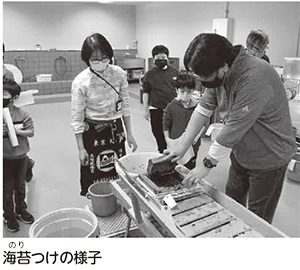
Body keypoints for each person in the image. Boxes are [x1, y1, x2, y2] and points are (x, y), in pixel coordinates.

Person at [165, 33, 297, 224]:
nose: (204, 82)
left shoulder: (254, 76)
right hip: (241, 152)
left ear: (224, 66)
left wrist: (206, 164)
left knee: (257, 217)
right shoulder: (218, 72)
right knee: (232, 203)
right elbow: (203, 109)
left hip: (270, 157)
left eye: (206, 77)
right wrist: (183, 145)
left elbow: (234, 127)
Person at [71, 33, 137, 196]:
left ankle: (118, 196)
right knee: (95, 169)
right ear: (87, 59)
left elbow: (125, 105)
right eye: (95, 59)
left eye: (104, 57)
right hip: (93, 130)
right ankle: (97, 199)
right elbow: (77, 117)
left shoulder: (119, 74)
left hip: (116, 128)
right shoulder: (81, 82)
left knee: (117, 167)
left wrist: (129, 133)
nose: (100, 62)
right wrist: (81, 148)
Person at [3, 78, 35, 232]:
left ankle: (21, 209)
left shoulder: (22, 114)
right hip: (4, 159)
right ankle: (8, 215)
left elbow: (31, 132)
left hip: (21, 157)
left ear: (14, 98)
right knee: (6, 189)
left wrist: (16, 131)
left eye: (4, 94)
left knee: (20, 186)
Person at [3, 43, 35, 182]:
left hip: (6, 111)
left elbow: (12, 92)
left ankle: (26, 163)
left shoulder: (6, 73)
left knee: (11, 143)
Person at [142, 45, 179, 153]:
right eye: (158, 58)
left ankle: (173, 153)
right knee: (158, 133)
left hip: (172, 109)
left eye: (163, 57)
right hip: (155, 109)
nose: (161, 60)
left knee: (172, 133)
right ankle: (162, 153)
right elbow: (146, 92)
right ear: (153, 59)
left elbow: (179, 89)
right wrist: (145, 110)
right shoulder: (149, 75)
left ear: (167, 58)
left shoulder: (174, 72)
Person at [163, 71, 202, 169]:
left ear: (193, 91)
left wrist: (197, 136)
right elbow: (166, 126)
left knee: (189, 167)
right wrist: (168, 140)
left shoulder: (197, 107)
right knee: (175, 167)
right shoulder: (171, 107)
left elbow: (204, 123)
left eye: (189, 92)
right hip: (176, 143)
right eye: (182, 91)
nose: (185, 95)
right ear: (177, 90)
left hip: (193, 145)